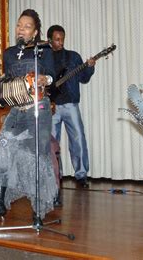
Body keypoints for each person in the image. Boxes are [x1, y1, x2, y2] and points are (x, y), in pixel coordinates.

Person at [0, 9, 57, 223]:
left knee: (36, 159)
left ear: (35, 32)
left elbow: (53, 77)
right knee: (1, 152)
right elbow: (10, 81)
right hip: (16, 112)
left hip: (39, 110)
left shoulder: (44, 51)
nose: (21, 29)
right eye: (19, 25)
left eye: (26, 26)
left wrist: (44, 79)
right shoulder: (9, 53)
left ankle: (38, 212)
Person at [47, 25, 95, 188]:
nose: (60, 42)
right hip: (51, 106)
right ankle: (54, 176)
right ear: (49, 40)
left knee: (78, 139)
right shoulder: (43, 59)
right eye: (57, 39)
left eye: (62, 39)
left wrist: (90, 67)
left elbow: (84, 78)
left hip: (70, 105)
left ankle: (81, 175)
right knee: (52, 143)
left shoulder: (73, 57)